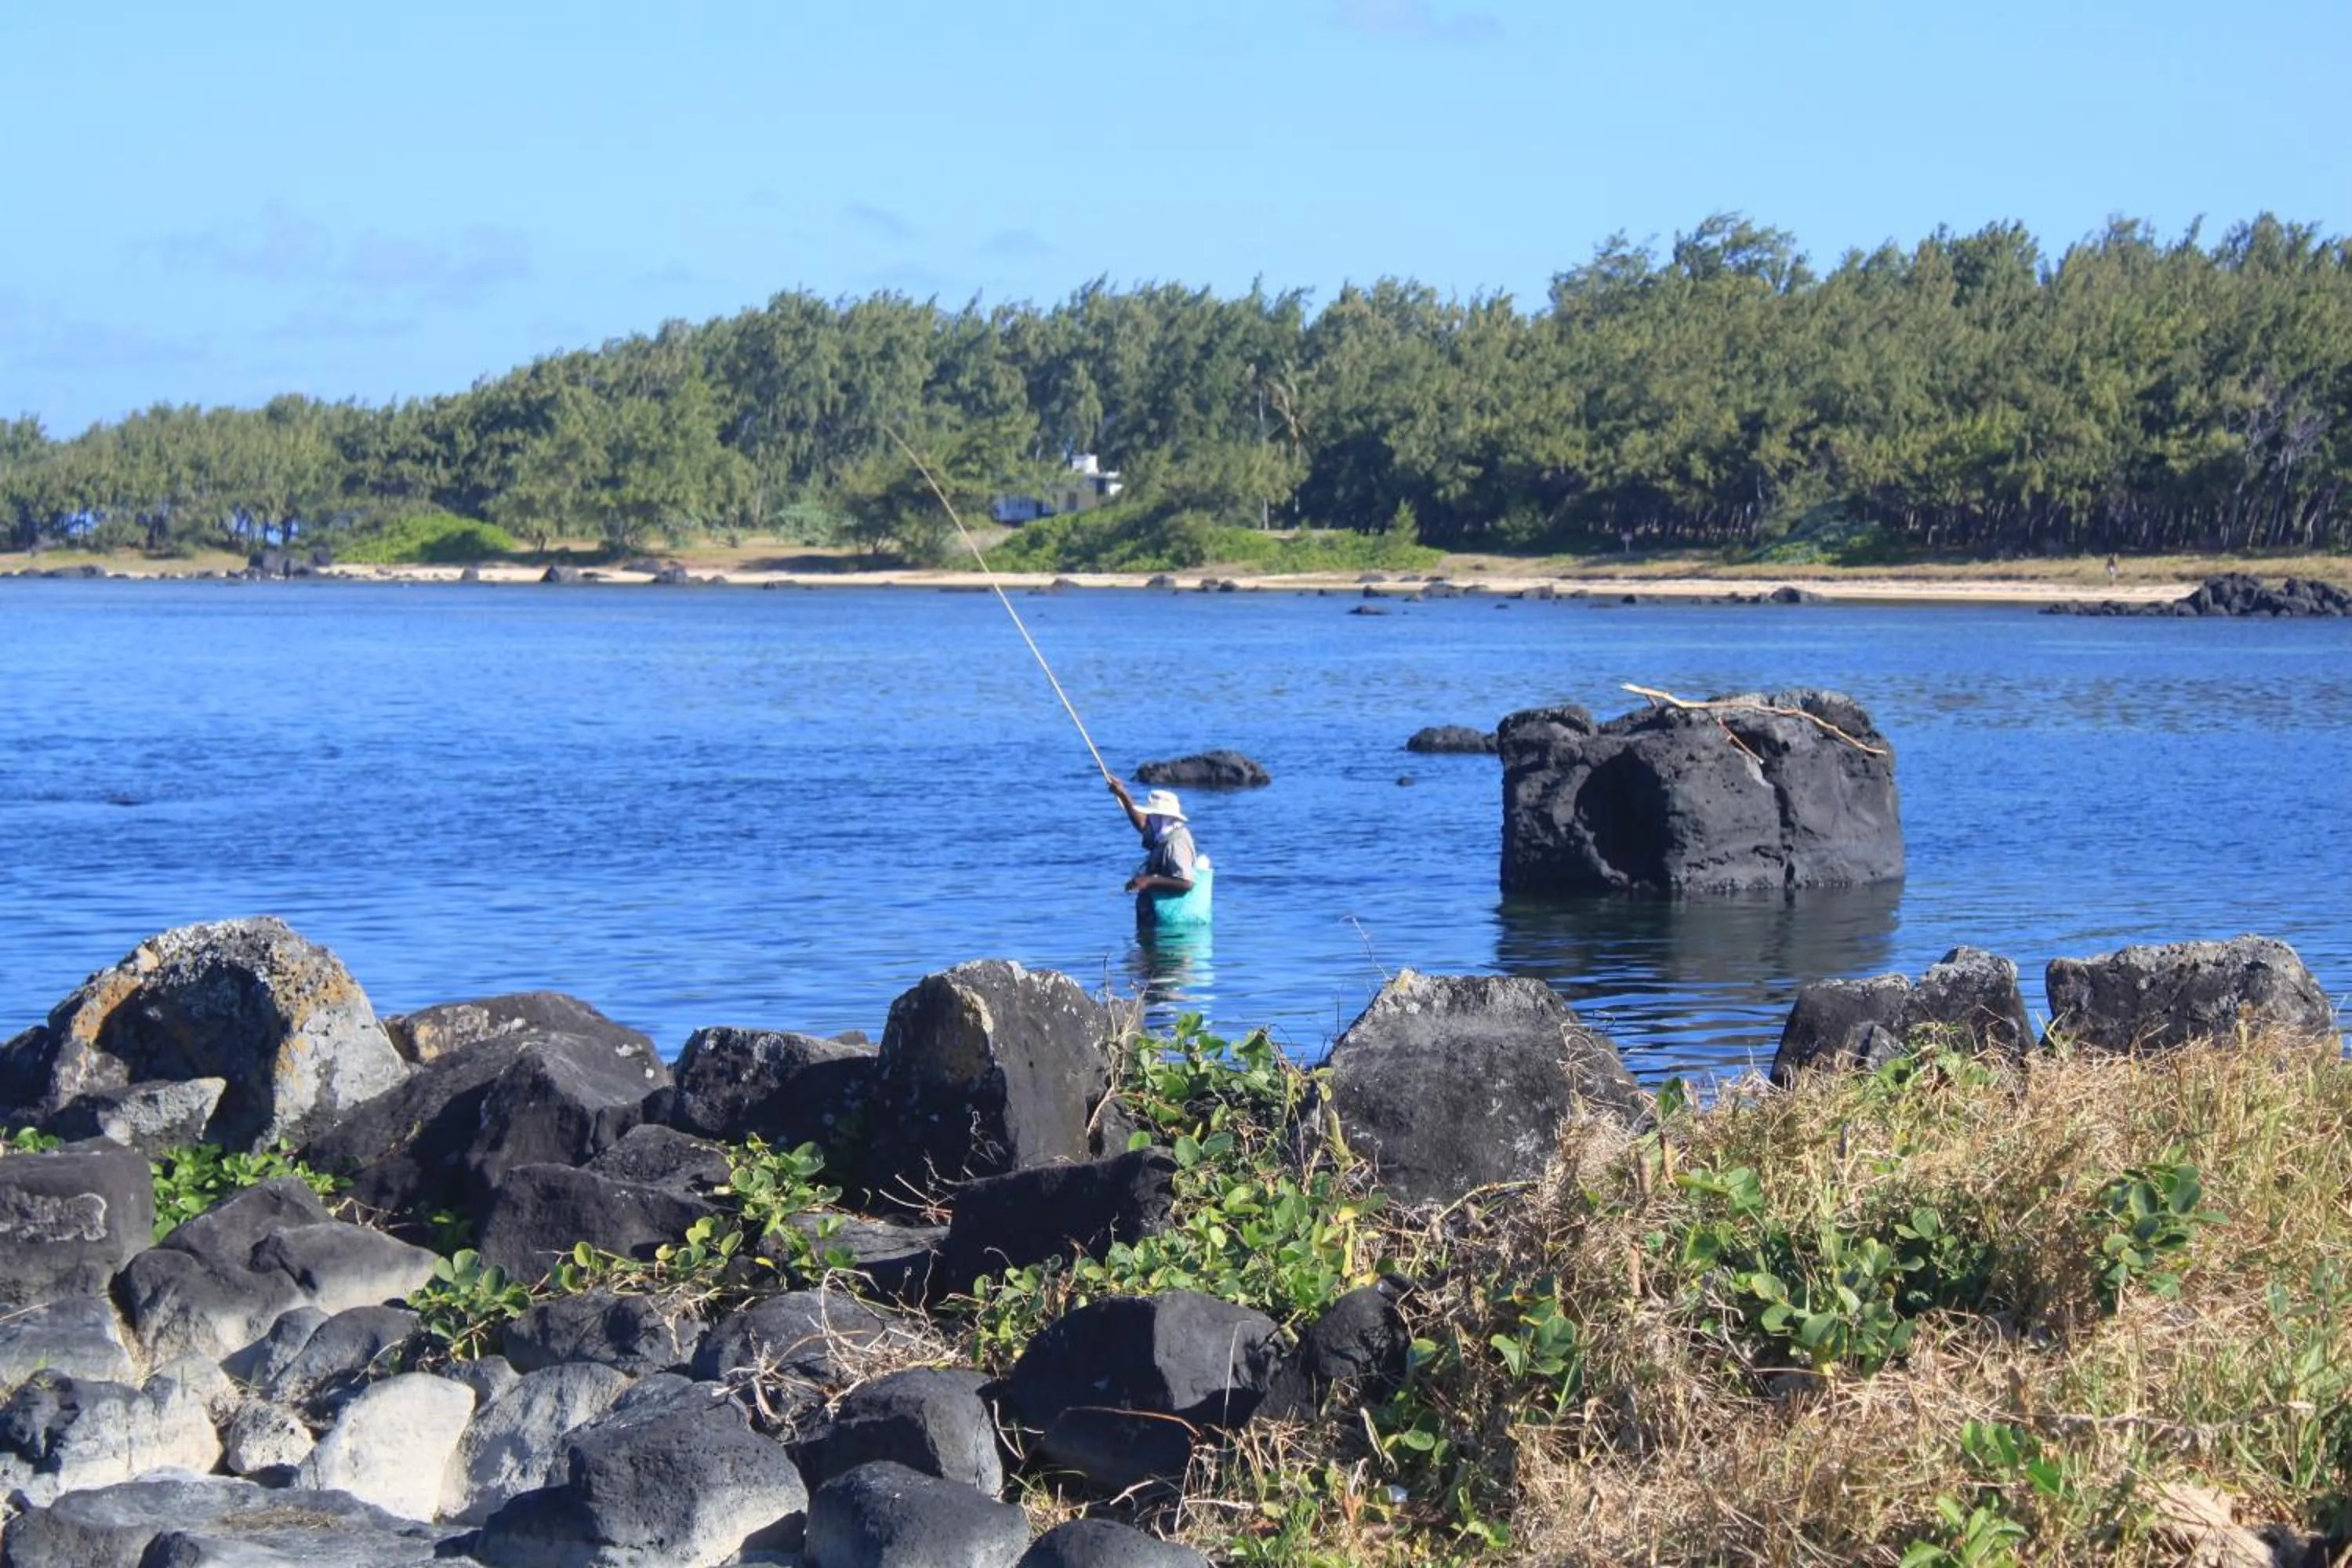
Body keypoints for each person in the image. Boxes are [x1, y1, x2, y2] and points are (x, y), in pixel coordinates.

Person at [1108, 778, 1212, 925]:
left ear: (1163, 818)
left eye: (1153, 816)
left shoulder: (1176, 842)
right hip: (1155, 917)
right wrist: (1123, 794)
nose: (1149, 819)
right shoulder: (1163, 833)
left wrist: (1148, 881)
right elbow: (1142, 824)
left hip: (1170, 921)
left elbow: (1186, 883)